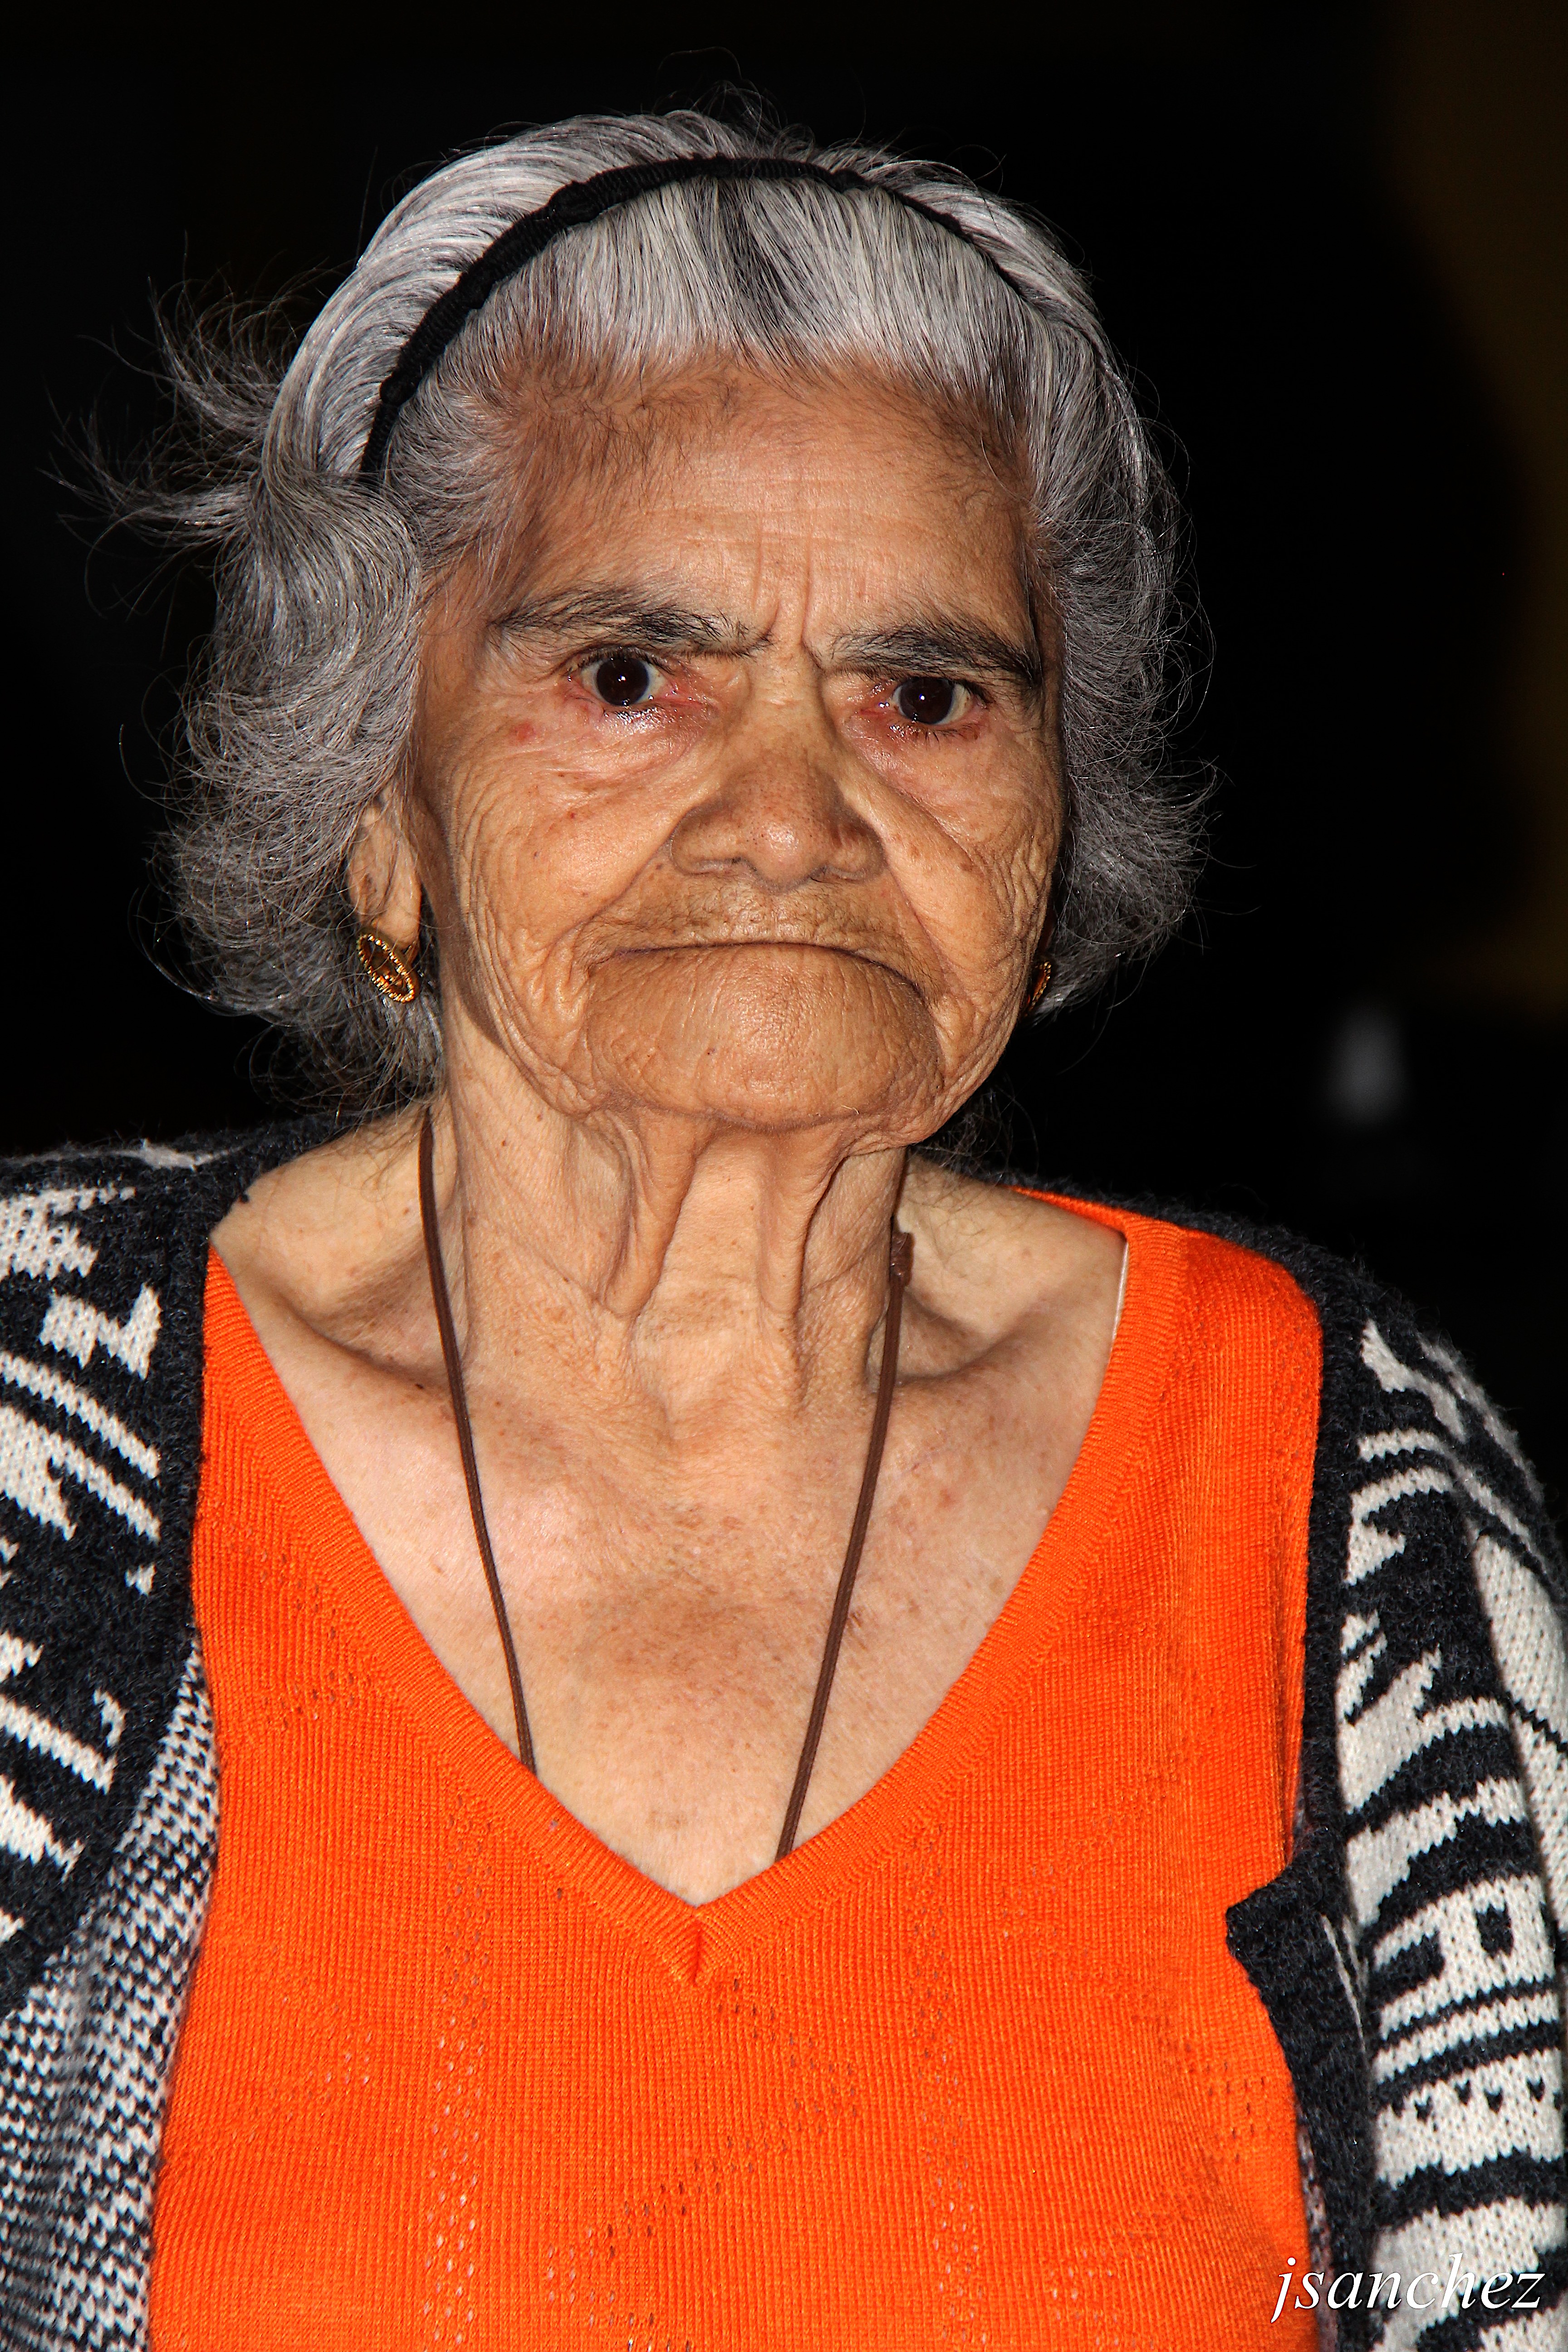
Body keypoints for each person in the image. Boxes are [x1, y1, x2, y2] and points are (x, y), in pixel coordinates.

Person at [1, 111, 1563, 2352]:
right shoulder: (36, 1414)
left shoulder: (1345, 1483)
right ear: (377, 812)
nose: (793, 817)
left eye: (927, 698)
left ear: (1052, 832)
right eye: (631, 676)